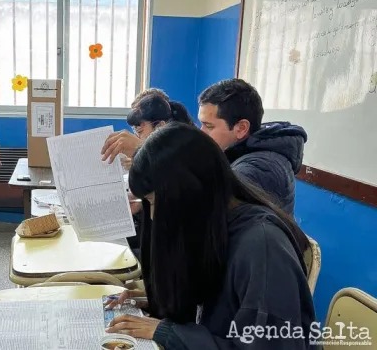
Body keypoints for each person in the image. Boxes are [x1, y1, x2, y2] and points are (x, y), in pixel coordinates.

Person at [105, 123, 318, 349]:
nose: (154, 215)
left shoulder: (262, 248)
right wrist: (151, 302)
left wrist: (168, 332)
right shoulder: (211, 227)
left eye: (156, 202)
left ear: (191, 191)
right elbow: (209, 307)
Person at [198, 79, 307, 216]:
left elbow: (207, 215)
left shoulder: (258, 169)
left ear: (242, 128)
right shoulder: (240, 152)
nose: (201, 132)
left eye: (209, 126)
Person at [104, 93, 194, 257]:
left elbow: (179, 190)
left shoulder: (184, 150)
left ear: (160, 125)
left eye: (140, 129)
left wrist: (142, 153)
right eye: (135, 130)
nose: (137, 135)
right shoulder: (167, 152)